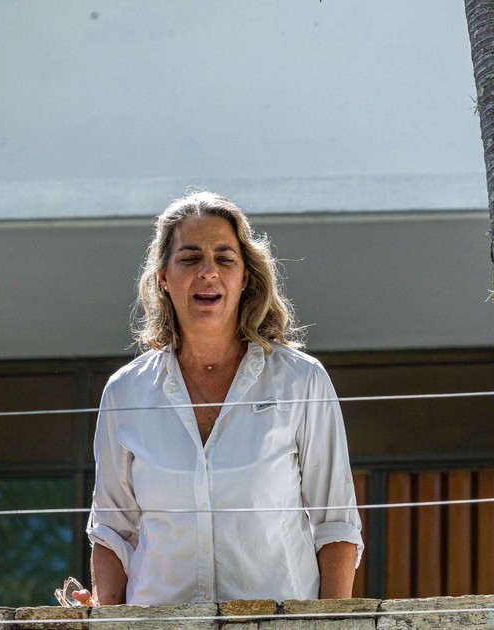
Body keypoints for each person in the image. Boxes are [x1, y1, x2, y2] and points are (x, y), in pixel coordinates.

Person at [77, 191, 362, 605]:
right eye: (190, 258)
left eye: (224, 258)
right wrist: (108, 619)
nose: (208, 271)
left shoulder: (302, 381)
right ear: (163, 276)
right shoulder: (125, 392)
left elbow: (336, 524)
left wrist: (330, 624)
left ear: (245, 277)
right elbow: (112, 532)